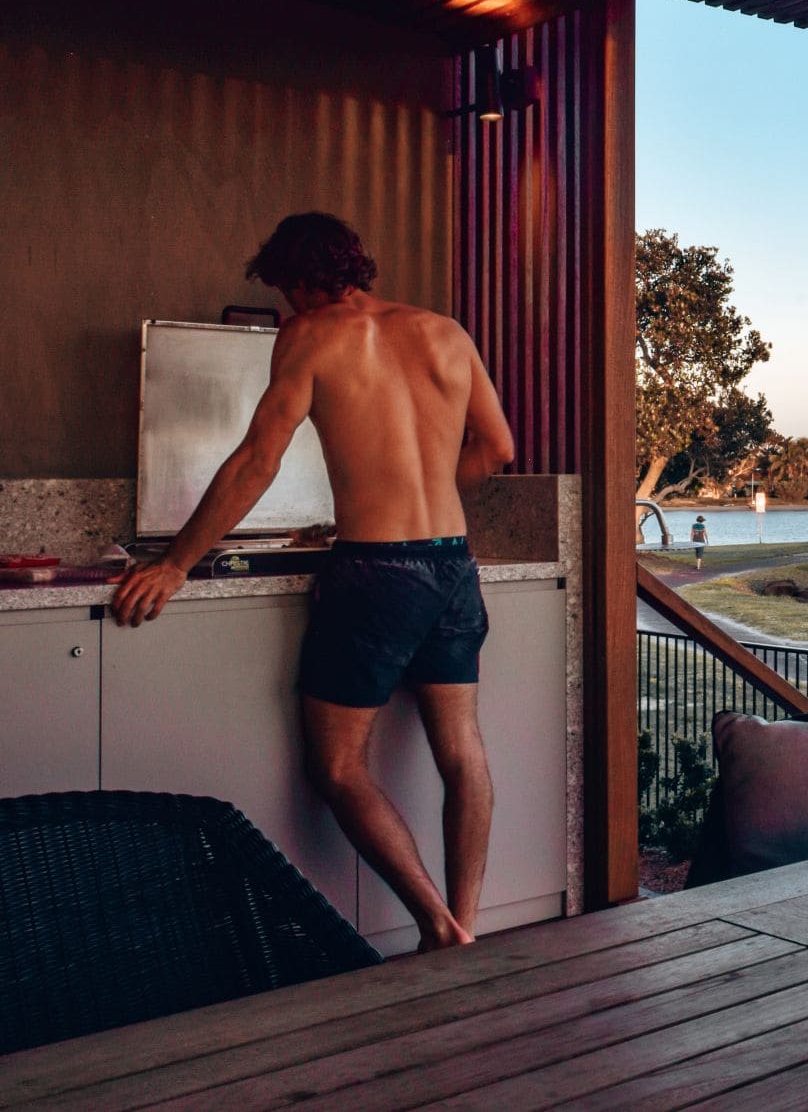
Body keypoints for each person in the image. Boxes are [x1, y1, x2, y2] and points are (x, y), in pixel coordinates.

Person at [109, 212, 514, 952]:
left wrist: (176, 562)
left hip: (377, 574)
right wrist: (422, 494)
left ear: (301, 280)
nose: (288, 308)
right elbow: (498, 445)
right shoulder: (446, 332)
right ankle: (469, 920)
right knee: (463, 751)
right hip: (453, 567)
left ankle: (437, 926)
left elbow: (257, 461)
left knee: (335, 765)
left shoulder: (310, 335)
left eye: (286, 291)